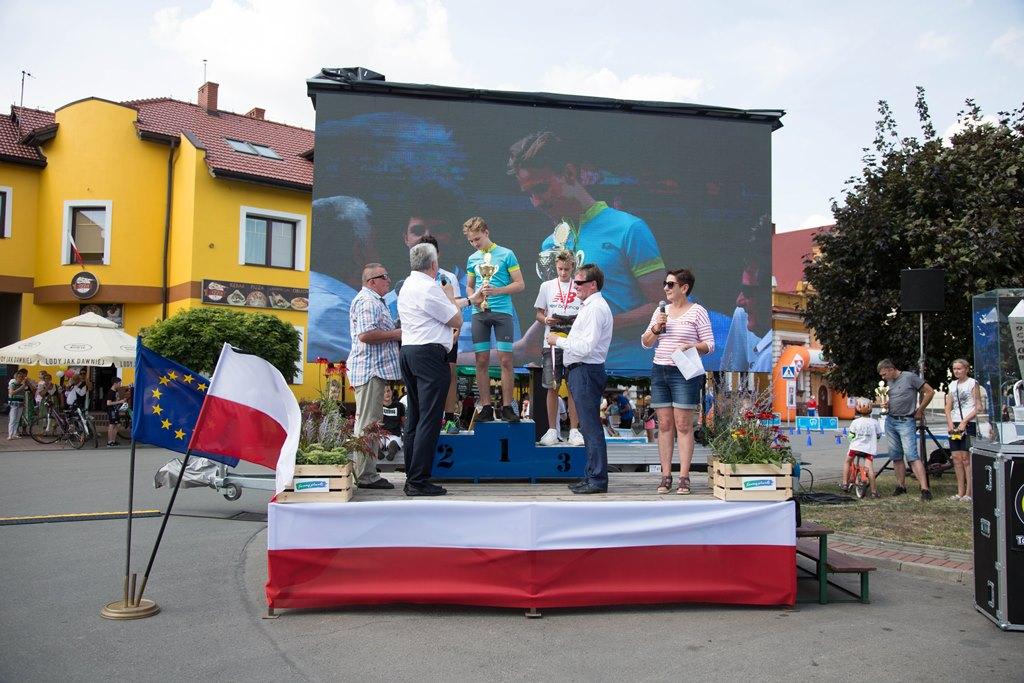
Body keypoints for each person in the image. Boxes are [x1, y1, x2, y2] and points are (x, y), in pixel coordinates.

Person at [508, 130, 665, 371]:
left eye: (541, 188)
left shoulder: (629, 229)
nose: (536, 202)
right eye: (529, 194)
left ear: (569, 173)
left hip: (627, 373)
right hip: (569, 372)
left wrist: (597, 324)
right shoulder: (550, 245)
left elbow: (663, 306)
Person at [641, 268, 715, 495]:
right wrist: (656, 328)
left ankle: (684, 476)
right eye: (665, 284)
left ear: (684, 288)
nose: (666, 288)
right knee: (664, 425)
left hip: (683, 371)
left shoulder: (698, 311)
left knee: (683, 425)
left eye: (670, 284)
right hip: (660, 370)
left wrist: (692, 346)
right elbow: (646, 342)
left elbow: (710, 344)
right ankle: (665, 476)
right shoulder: (660, 311)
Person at [398, 242, 462, 496]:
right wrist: (450, 296)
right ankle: (418, 480)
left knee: (415, 417)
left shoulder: (407, 284)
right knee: (430, 418)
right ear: (434, 264)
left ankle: (412, 476)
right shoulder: (429, 287)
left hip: (410, 351)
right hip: (428, 356)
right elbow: (456, 319)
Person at [546, 263, 613, 494]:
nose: (575, 286)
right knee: (588, 427)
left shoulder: (595, 309)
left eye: (579, 282)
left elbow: (586, 347)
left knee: (591, 427)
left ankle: (597, 479)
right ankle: (591, 475)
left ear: (592, 285)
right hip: (583, 370)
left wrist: (558, 340)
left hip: (586, 369)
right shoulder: (590, 307)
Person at [463, 216, 525, 422]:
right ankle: (486, 407)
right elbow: (469, 286)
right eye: (471, 241)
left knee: (506, 360)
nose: (475, 244)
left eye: (477, 239)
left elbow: (520, 284)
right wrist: (474, 298)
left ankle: (507, 407)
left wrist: (497, 291)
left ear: (486, 232)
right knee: (481, 360)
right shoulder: (472, 259)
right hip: (479, 314)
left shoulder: (507, 254)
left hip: (502, 312)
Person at [347, 263, 403, 490]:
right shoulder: (368, 301)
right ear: (372, 281)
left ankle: (366, 472)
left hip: (372, 370)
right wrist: (396, 333)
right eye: (384, 277)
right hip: (371, 370)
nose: (388, 280)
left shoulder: (373, 301)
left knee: (369, 422)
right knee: (368, 424)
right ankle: (366, 476)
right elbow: (366, 334)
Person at [416, 234, 469, 434]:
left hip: (447, 334)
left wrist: (457, 331)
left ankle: (449, 418)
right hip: (425, 336)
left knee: (450, 375)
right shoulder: (414, 279)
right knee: (426, 377)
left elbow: (455, 306)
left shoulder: (448, 277)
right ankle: (425, 417)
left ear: (438, 254)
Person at [534, 249, 584, 446]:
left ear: (573, 267)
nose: (563, 273)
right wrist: (546, 319)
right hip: (551, 343)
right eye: (560, 269)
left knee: (574, 388)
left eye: (567, 269)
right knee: (552, 387)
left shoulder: (579, 287)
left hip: (574, 343)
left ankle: (574, 431)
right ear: (555, 267)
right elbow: (539, 314)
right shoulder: (546, 286)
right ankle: (552, 431)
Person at [877, 359, 935, 500]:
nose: (883, 378)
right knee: (896, 456)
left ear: (891, 369)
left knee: (912, 455)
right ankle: (901, 486)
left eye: (884, 374)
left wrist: (920, 410)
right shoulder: (889, 382)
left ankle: (925, 489)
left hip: (906, 421)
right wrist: (887, 404)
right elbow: (897, 397)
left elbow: (930, 392)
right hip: (891, 420)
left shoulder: (909, 377)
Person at [945, 358, 980, 502]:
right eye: (954, 369)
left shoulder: (972, 383)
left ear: (966, 369)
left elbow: (978, 406)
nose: (957, 371)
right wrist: (950, 424)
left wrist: (965, 421)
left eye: (959, 368)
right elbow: (948, 406)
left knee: (966, 459)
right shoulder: (952, 385)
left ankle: (969, 492)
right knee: (956, 458)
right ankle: (960, 492)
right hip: (954, 423)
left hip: (968, 422)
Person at [841, 398, 882, 497]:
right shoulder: (874, 422)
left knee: (847, 462)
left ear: (857, 409)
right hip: (869, 450)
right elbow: (879, 435)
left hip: (855, 448)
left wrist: (850, 438)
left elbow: (851, 435)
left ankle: (845, 483)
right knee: (870, 469)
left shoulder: (855, 422)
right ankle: (874, 492)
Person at [379, 384, 405, 461]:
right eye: (384, 392)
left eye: (388, 391)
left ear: (392, 392)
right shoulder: (377, 406)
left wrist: (406, 433)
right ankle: (377, 451)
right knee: (377, 443)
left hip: (394, 433)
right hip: (380, 433)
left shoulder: (399, 406)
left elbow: (403, 421)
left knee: (393, 443)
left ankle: (391, 453)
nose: (387, 393)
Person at [7, 368, 32, 439]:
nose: (21, 378)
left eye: (22, 377)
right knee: (12, 419)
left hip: (20, 403)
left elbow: (23, 395)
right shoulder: (12, 384)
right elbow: (11, 393)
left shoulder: (22, 385)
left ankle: (14, 434)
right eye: (19, 377)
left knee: (17, 420)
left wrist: (24, 402)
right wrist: (21, 387)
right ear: (16, 377)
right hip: (14, 403)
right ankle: (10, 435)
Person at [105, 377, 127, 447]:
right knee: (112, 424)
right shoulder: (111, 392)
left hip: (115, 410)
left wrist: (121, 401)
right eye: (119, 383)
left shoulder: (116, 391)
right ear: (115, 383)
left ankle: (113, 440)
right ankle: (109, 441)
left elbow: (116, 400)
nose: (120, 385)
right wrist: (119, 401)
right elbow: (108, 403)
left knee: (118, 424)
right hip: (111, 410)